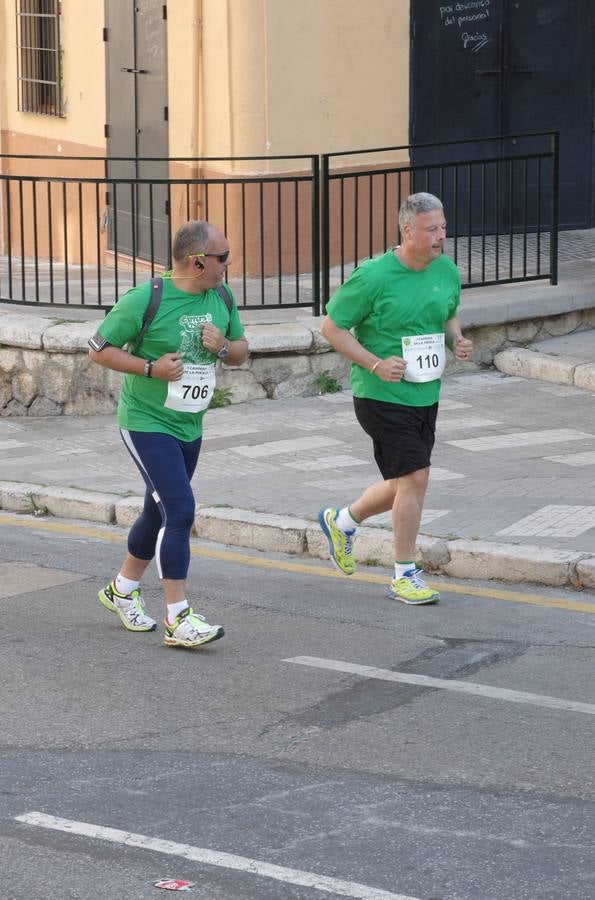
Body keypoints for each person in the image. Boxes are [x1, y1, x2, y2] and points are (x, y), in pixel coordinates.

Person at [88, 220, 248, 647]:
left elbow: (241, 352)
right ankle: (179, 618)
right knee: (179, 510)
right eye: (222, 258)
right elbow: (98, 349)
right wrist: (150, 368)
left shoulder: (223, 296)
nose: (228, 265)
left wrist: (222, 347)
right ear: (197, 262)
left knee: (157, 511)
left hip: (189, 421)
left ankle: (121, 590)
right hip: (145, 422)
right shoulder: (146, 298)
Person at [318, 192, 473, 605]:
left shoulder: (445, 270)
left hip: (426, 389)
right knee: (417, 476)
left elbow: (448, 312)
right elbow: (333, 328)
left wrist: (455, 338)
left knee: (405, 481)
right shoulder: (374, 276)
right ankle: (404, 573)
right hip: (380, 392)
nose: (441, 236)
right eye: (431, 230)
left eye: (443, 227)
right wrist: (373, 364)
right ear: (407, 231)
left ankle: (343, 520)